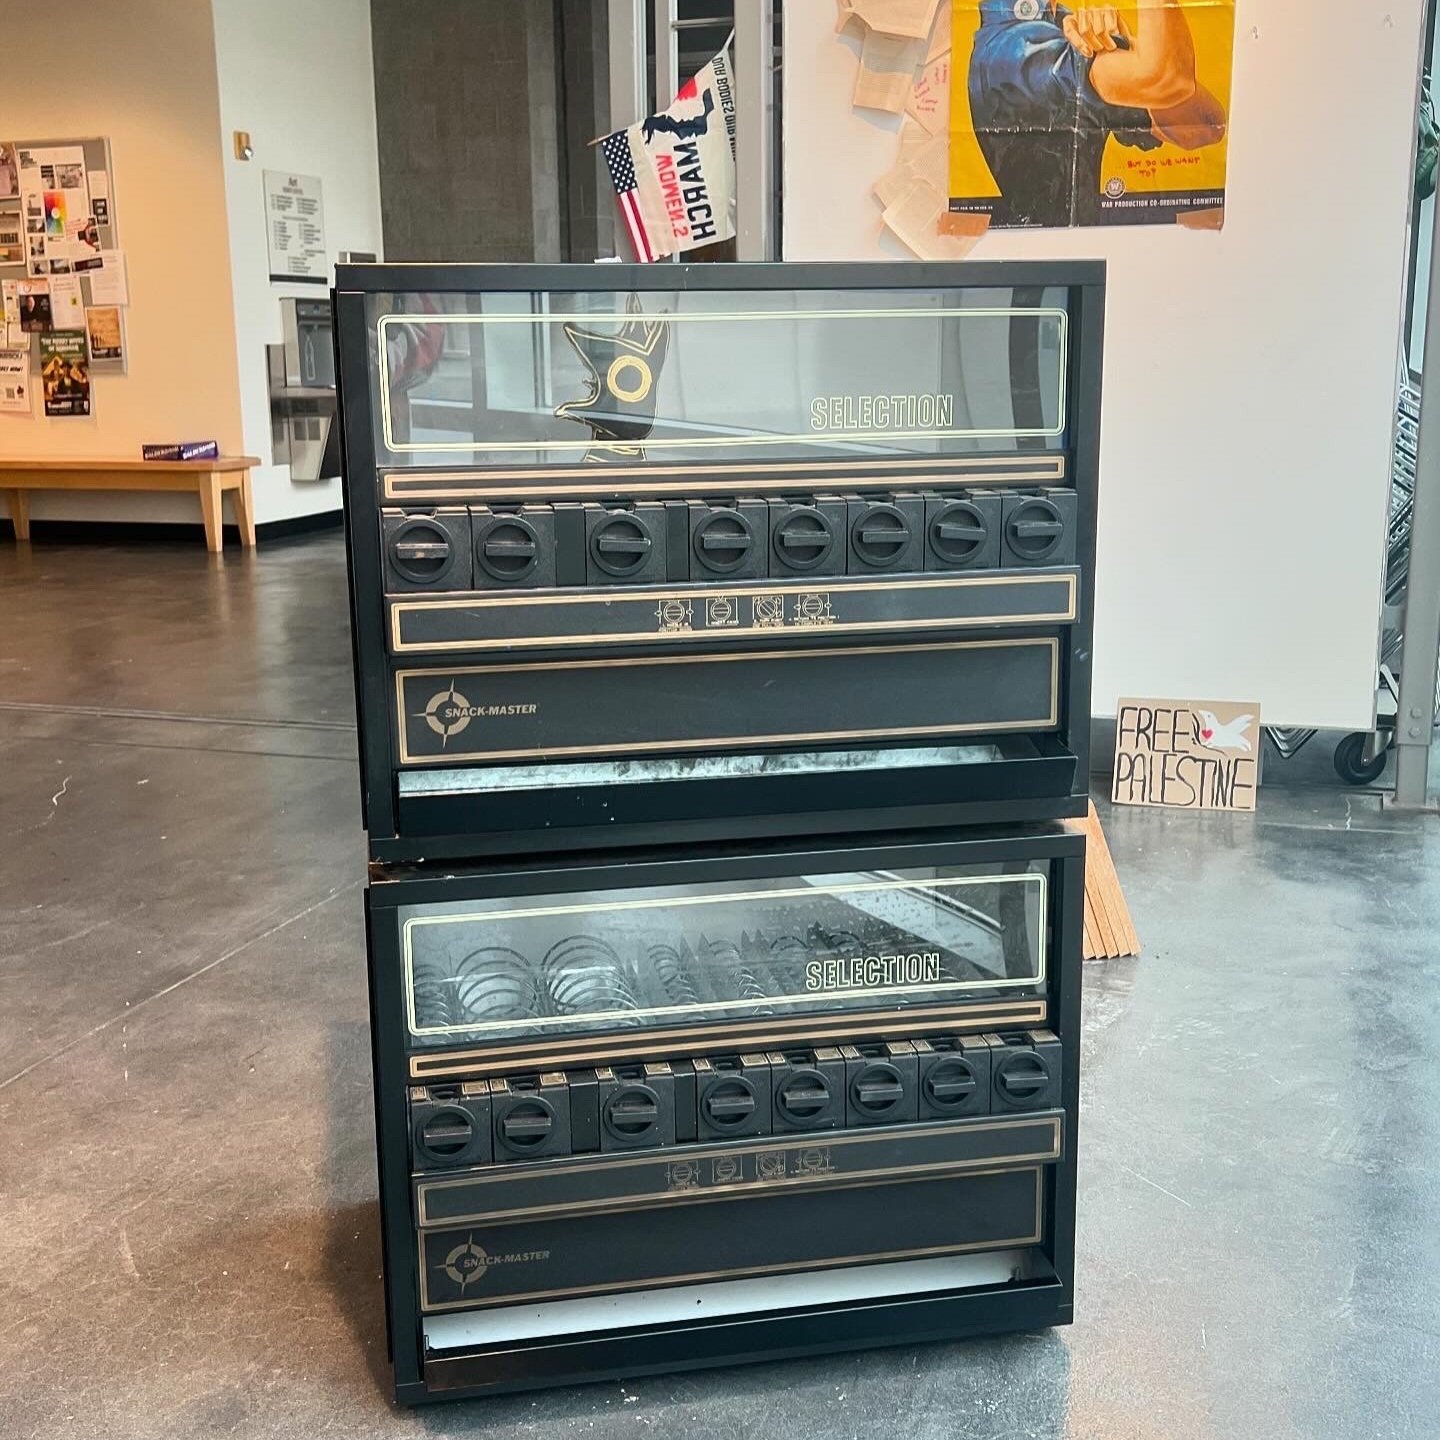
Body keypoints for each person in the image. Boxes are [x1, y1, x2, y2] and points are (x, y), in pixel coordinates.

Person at [966, 0, 1227, 227]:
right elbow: (1164, 78)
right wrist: (1137, 65)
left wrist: (1128, 46)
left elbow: (1204, 126)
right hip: (1051, 260)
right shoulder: (1015, 49)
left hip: (1092, 253)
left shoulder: (1058, 23)